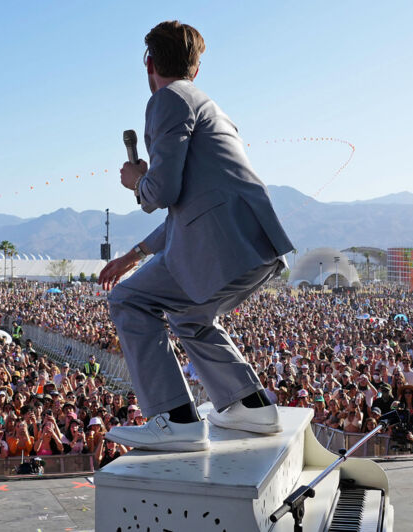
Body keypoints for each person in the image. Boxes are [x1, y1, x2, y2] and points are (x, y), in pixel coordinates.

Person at [99, 20, 294, 452]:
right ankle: (250, 405)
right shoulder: (210, 106)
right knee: (189, 316)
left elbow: (162, 193)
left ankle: (175, 419)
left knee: (128, 300)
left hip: (221, 247)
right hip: (250, 243)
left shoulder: (167, 99)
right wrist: (134, 255)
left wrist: (136, 179)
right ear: (197, 68)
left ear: (149, 63)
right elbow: (192, 211)